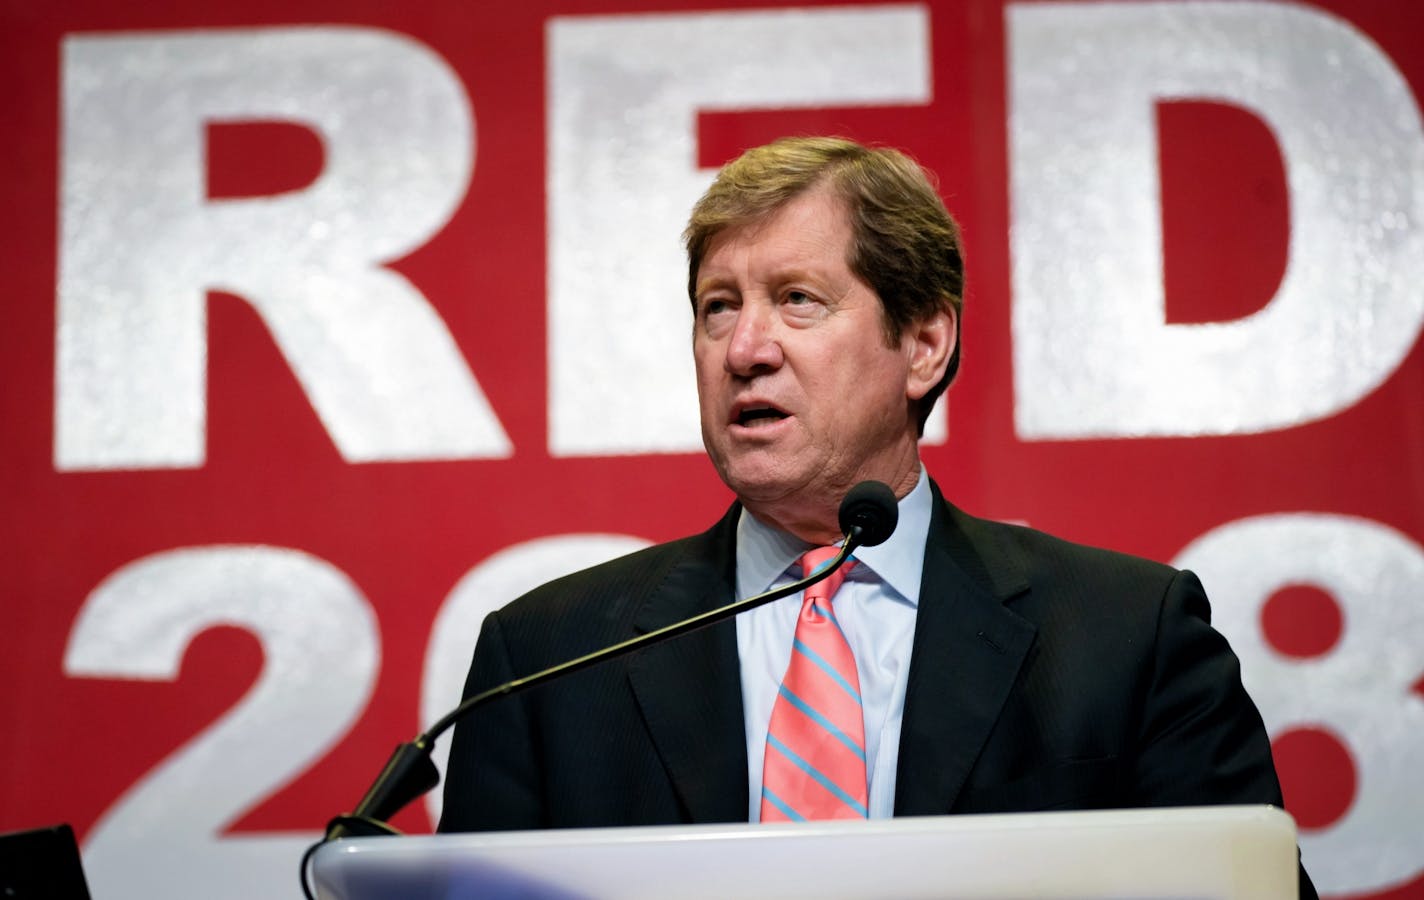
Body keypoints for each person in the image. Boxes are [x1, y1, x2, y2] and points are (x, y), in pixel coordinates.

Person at [440, 136, 1315, 896]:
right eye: (718, 307)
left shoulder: (1127, 639)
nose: (745, 349)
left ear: (924, 346)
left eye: (798, 300)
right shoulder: (549, 661)